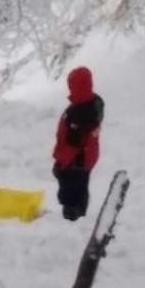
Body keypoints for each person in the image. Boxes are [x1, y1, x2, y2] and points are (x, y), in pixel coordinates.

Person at [52, 66, 104, 220]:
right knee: (81, 189)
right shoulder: (94, 103)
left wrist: (60, 164)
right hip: (87, 159)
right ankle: (81, 216)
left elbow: (72, 145)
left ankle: (72, 220)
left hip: (75, 162)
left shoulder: (79, 113)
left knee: (70, 195)